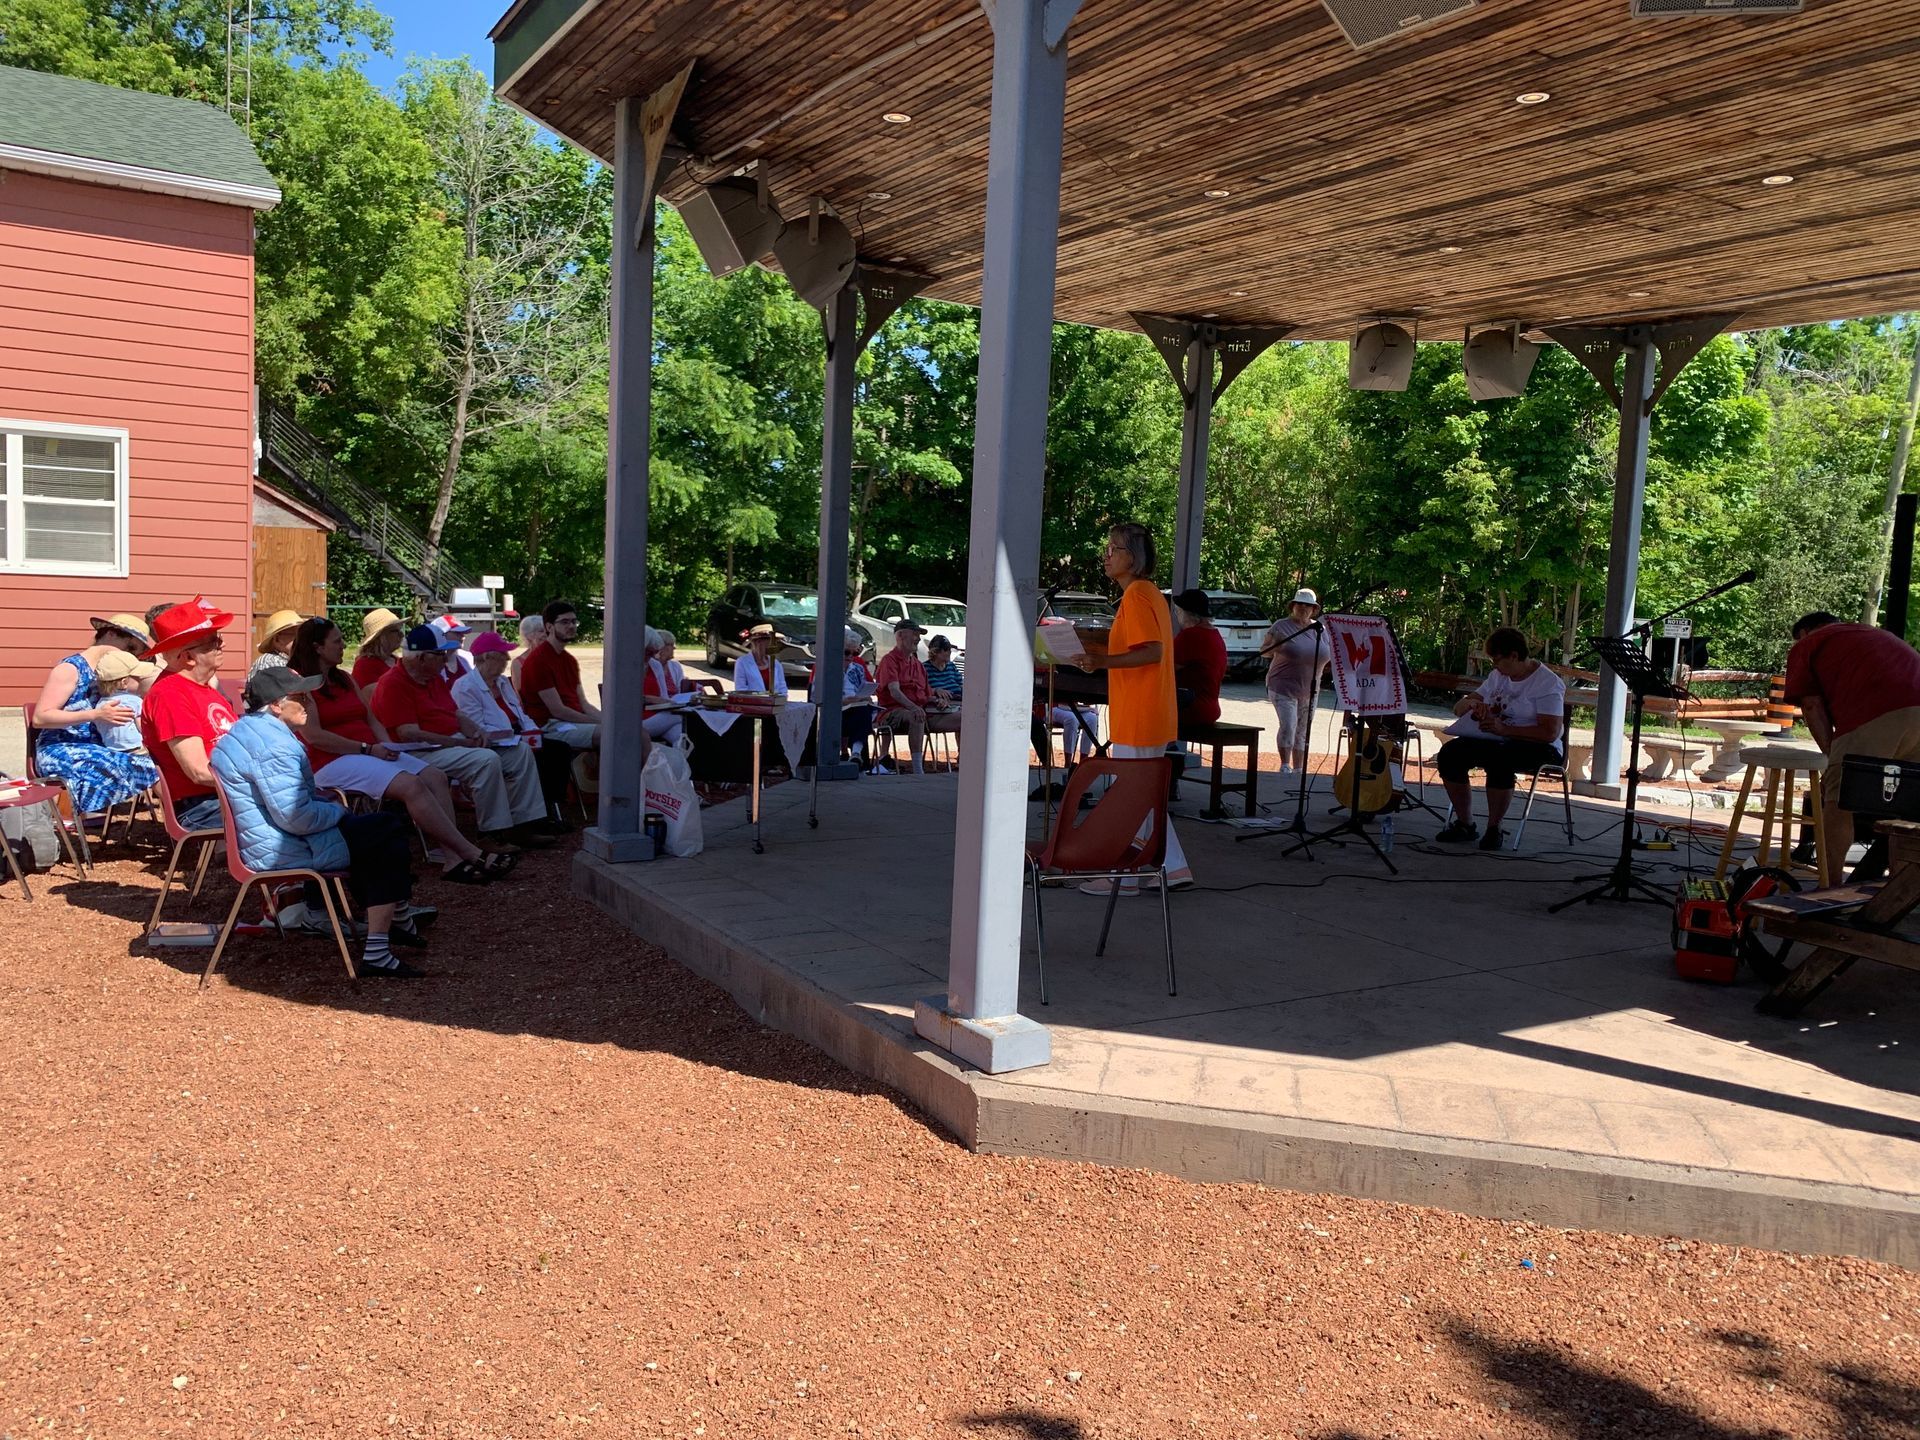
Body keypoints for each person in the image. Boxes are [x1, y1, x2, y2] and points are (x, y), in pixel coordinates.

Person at [209, 666, 430, 978]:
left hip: (268, 839)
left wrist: (332, 809)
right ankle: (385, 940)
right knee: (385, 830)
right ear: (276, 705)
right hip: (282, 848)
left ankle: (390, 930)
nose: (309, 704)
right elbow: (296, 818)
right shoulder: (276, 747)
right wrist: (339, 811)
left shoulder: (246, 732)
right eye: (301, 697)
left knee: (378, 834)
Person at [287, 617, 512, 883]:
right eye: (337, 641)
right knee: (412, 785)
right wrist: (368, 749)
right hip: (330, 761)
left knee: (435, 776)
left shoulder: (344, 679)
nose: (343, 645)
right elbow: (314, 736)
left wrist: (385, 745)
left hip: (367, 752)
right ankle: (469, 852)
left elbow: (371, 718)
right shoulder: (301, 684)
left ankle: (452, 858)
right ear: (317, 647)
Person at [1076, 522, 1193, 892]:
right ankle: (1172, 868)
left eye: (1115, 548)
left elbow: (1151, 652)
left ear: (1134, 556)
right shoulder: (1144, 594)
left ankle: (1126, 878)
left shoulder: (1139, 595)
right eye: (1107, 548)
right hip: (1144, 712)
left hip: (1141, 714)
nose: (1107, 555)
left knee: (1131, 796)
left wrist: (1101, 661)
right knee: (1141, 795)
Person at [373, 624, 551, 848]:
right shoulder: (393, 683)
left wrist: (477, 732)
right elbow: (408, 733)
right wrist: (460, 742)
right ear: (421, 657)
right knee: (485, 760)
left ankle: (522, 825)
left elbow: (456, 714)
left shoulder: (432, 677)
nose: (447, 657)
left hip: (446, 744)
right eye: (441, 653)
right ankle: (491, 833)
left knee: (519, 751)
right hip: (416, 751)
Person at [1782, 611, 1920, 859]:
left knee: (1839, 801)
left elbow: (1811, 705)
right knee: (1910, 805)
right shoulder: (1872, 634)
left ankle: (1830, 878)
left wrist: (1831, 755)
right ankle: (1902, 879)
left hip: (1876, 712)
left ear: (1803, 632)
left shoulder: (1809, 643)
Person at [1433, 626, 1566, 851]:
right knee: (1450, 753)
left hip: (1540, 746)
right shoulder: (1498, 677)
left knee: (1500, 759)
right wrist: (1472, 704)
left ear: (1514, 656)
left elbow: (1549, 732)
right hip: (1497, 739)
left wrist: (1505, 729)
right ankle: (1465, 823)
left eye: (1497, 660)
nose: (1494, 666)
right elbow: (1458, 708)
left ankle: (1494, 828)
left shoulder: (1547, 683)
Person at [30, 616, 160, 815]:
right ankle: (180, 822)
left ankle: (177, 817)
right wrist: (96, 714)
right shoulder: (71, 669)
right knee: (144, 765)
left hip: (101, 748)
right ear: (111, 634)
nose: (131, 656)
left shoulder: (111, 672)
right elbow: (41, 718)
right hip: (62, 749)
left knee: (158, 762)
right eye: (130, 648)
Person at [139, 598, 241, 829]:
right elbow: (199, 771)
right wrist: (257, 781)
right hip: (202, 806)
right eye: (213, 642)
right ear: (188, 657)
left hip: (222, 795)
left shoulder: (204, 689)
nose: (222, 644)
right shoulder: (170, 695)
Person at [875, 618, 958, 775]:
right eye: (914, 634)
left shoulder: (918, 665)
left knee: (965, 717)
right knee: (916, 715)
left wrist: (938, 700)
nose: (918, 638)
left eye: (919, 635)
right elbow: (894, 691)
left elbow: (926, 695)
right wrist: (914, 707)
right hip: (892, 712)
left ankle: (968, 763)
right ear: (900, 636)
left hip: (922, 711)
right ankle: (918, 770)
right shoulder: (889, 660)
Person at [1261, 588, 1327, 775]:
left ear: (1314, 609)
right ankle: (1285, 765)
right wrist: (1278, 645)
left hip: (1310, 689)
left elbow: (1328, 653)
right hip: (1282, 686)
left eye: (1308, 605)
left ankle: (1299, 768)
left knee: (1303, 730)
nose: (1303, 608)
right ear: (1293, 606)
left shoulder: (1320, 629)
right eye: (1300, 604)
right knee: (1289, 725)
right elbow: (1264, 651)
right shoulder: (1281, 626)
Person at [520, 599, 601, 749]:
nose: (571, 626)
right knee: (614, 733)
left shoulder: (569, 660)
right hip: (550, 726)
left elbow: (584, 703)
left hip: (571, 721)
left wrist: (608, 720)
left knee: (630, 730)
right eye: (564, 622)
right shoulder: (538, 661)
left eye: (574, 622)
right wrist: (604, 724)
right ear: (549, 627)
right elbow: (558, 711)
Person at [813, 635, 878, 767]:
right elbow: (815, 697)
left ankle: (855, 754)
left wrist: (866, 697)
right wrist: (843, 701)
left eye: (855, 653)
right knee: (862, 714)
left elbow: (863, 689)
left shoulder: (858, 669)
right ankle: (856, 753)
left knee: (864, 710)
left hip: (856, 710)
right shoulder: (826, 669)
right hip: (834, 713)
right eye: (847, 652)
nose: (850, 657)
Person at [1170, 588, 1227, 729]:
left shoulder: (1190, 636)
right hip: (1210, 707)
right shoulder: (1215, 634)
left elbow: (1165, 669)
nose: (1177, 616)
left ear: (1186, 613)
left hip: (1190, 708)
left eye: (1177, 612)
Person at [93, 649, 156, 752]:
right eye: (137, 677)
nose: (140, 679)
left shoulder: (101, 704)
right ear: (124, 682)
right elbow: (143, 728)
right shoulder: (134, 701)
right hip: (137, 748)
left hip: (111, 750)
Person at [352, 608, 406, 702]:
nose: (401, 635)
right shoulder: (365, 665)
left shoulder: (395, 660)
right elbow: (370, 700)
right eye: (395, 631)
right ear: (381, 636)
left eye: (400, 630)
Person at [249, 609, 304, 689]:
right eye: (295, 635)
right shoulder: (270, 662)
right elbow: (281, 695)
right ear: (277, 639)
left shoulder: (293, 660)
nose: (301, 639)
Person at [732, 622, 790, 694]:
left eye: (772, 641)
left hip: (775, 701)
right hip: (752, 701)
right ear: (756, 642)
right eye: (768, 641)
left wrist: (779, 698)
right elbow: (740, 689)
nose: (771, 645)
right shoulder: (742, 662)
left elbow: (782, 689)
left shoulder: (776, 663)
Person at [511, 614, 545, 691]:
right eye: (541, 631)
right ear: (528, 635)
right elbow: (519, 692)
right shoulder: (518, 663)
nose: (546, 634)